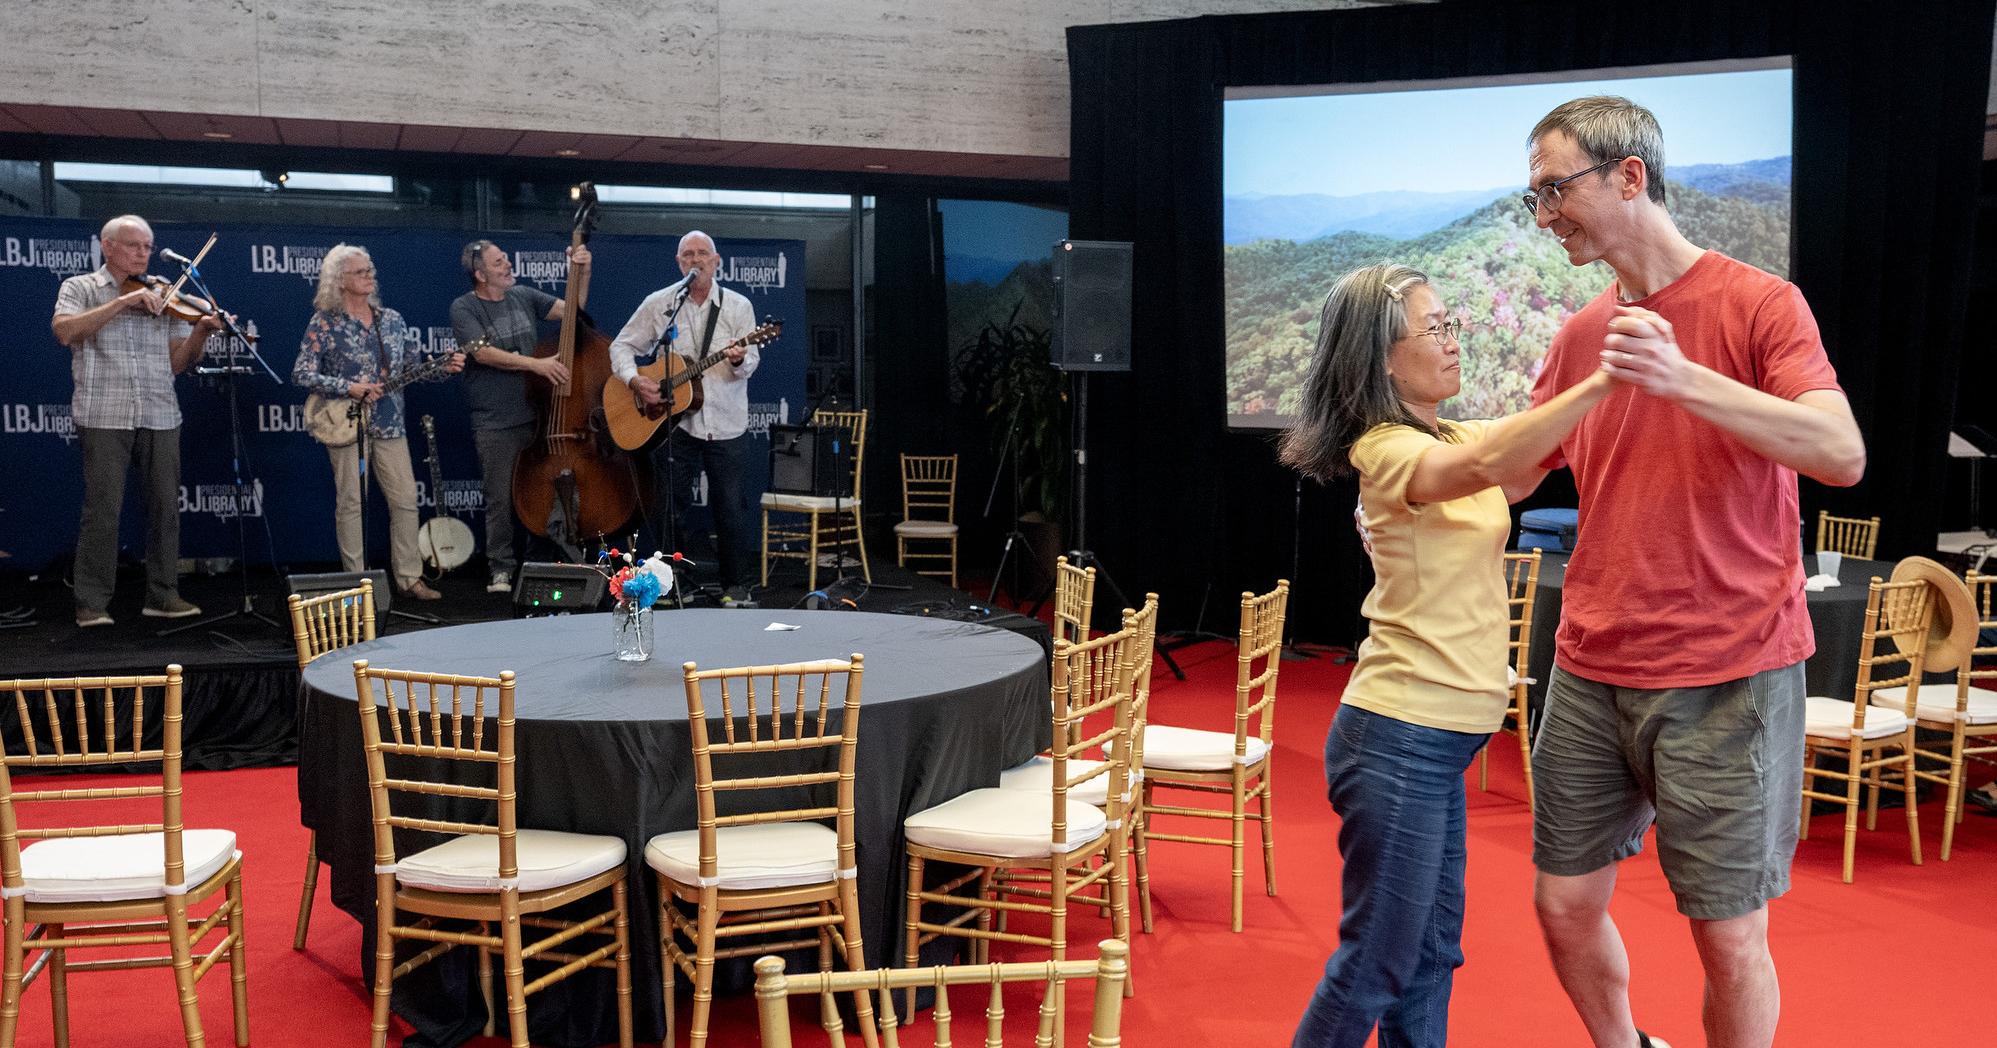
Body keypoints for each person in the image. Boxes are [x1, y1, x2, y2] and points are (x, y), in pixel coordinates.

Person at [1519, 96, 1864, 1048]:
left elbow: (1839, 453)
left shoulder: (1759, 303)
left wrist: (1683, 379)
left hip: (1730, 669)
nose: (1543, 215)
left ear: (1628, 175)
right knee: (1562, 904)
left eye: (1554, 189)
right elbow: (1512, 470)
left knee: (1728, 938)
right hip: (1591, 663)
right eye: (1533, 197)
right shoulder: (1581, 332)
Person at [1282, 262, 1615, 1048]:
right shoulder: (1386, 449)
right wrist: (1606, 378)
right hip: (1398, 732)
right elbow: (1486, 467)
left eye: (1451, 324)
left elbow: (1525, 458)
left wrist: (1607, 343)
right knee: (1376, 962)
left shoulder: (1450, 433)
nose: (1452, 342)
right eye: (1433, 330)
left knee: (1429, 957)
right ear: (1380, 358)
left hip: (1436, 740)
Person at [51, 214, 223, 627]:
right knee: (103, 508)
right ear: (107, 246)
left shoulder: (163, 293)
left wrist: (200, 332)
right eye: (134, 246)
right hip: (104, 412)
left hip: (160, 411)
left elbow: (177, 362)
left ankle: (163, 595)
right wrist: (122, 303)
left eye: (147, 247)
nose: (143, 254)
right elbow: (64, 331)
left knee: (165, 508)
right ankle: (91, 601)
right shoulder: (81, 287)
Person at [293, 244, 464, 600]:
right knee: (351, 504)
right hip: (347, 424)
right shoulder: (324, 322)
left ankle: (409, 578)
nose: (369, 276)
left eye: (370, 270)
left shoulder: (392, 320)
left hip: (390, 422)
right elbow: (302, 373)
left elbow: (414, 368)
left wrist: (443, 367)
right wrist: (349, 387)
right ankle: (356, 584)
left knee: (405, 500)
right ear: (339, 280)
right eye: (360, 272)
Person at [608, 230, 760, 605]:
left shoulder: (738, 306)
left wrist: (739, 359)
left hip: (726, 423)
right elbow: (621, 346)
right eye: (688, 254)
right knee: (668, 508)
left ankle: (736, 586)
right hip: (675, 424)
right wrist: (635, 380)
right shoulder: (661, 303)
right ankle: (671, 585)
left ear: (716, 261)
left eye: (702, 253)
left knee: (730, 508)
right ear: (679, 263)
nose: (696, 260)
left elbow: (751, 362)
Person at [449, 238, 591, 593]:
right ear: (480, 274)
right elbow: (482, 353)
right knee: (500, 498)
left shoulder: (523, 295)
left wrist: (582, 271)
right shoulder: (464, 307)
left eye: (506, 258)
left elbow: (574, 310)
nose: (508, 265)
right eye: (499, 262)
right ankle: (500, 568)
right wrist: (536, 364)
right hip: (495, 421)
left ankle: (538, 563)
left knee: (541, 492)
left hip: (537, 416)